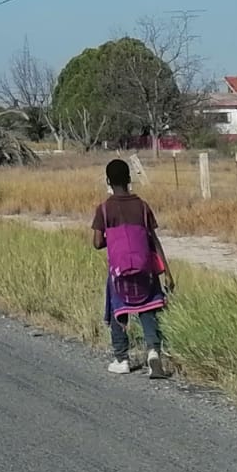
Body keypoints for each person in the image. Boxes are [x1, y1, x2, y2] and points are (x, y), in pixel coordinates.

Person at [91, 157, 171, 377]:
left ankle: (122, 358)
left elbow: (97, 243)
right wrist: (167, 272)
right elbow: (153, 239)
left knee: (117, 310)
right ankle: (153, 351)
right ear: (129, 178)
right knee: (148, 308)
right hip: (145, 270)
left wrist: (114, 239)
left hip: (119, 273)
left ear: (108, 180)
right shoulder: (142, 207)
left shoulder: (104, 209)